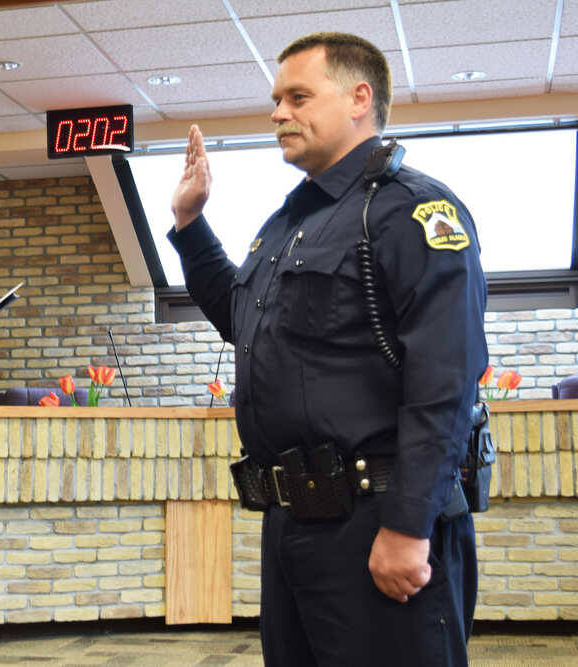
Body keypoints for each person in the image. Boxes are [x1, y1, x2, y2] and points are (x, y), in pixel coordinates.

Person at [168, 32, 487, 666]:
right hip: (293, 525)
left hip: (376, 522)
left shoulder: (412, 210)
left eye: (297, 96)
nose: (278, 112)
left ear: (359, 98)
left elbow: (445, 380)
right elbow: (242, 319)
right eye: (276, 99)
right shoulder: (289, 224)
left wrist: (407, 526)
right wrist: (189, 223)